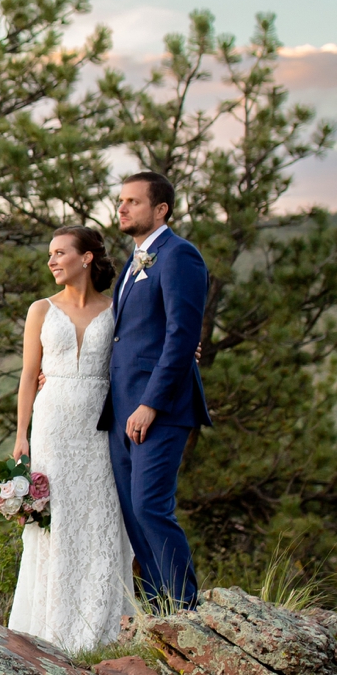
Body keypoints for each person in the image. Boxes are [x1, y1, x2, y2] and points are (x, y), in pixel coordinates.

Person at [4, 224, 135, 654]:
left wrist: (188, 351)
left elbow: (146, 350)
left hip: (102, 426)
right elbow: (27, 376)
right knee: (56, 521)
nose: (52, 261)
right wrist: (21, 435)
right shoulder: (40, 309)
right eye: (50, 254)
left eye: (60, 253)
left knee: (100, 517)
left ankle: (100, 629)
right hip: (53, 425)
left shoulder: (118, 308)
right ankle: (50, 629)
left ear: (86, 258)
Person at [104, 170, 212, 608]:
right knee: (133, 515)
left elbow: (183, 336)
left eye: (133, 201)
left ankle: (187, 610)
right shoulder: (133, 263)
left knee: (151, 507)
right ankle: (160, 611)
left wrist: (150, 403)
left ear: (161, 209)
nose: (123, 208)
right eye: (120, 201)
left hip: (159, 409)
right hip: (119, 410)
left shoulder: (179, 255)